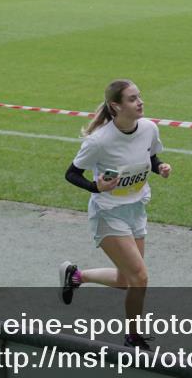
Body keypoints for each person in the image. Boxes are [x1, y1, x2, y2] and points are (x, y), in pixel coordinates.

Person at [58, 79, 171, 350]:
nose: (140, 102)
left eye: (139, 96)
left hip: (136, 209)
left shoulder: (148, 128)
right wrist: (95, 186)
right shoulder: (100, 141)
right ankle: (133, 337)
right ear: (115, 106)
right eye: (132, 99)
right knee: (140, 278)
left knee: (126, 280)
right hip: (108, 213)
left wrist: (160, 167)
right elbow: (71, 173)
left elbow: (150, 156)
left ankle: (75, 276)